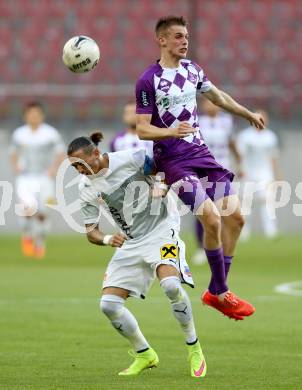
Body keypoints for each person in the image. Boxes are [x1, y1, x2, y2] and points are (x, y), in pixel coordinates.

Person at [135, 16, 261, 319]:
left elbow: (217, 96)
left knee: (236, 217)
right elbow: (142, 129)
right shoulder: (147, 80)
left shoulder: (193, 70)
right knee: (211, 218)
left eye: (186, 36)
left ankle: (217, 290)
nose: (184, 41)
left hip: (201, 155)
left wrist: (246, 114)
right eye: (178, 36)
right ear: (162, 40)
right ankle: (221, 293)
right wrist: (169, 131)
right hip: (173, 160)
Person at [67, 132, 206, 378]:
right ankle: (144, 353)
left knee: (171, 286)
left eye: (81, 163)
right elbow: (91, 232)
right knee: (109, 305)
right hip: (131, 241)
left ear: (96, 154)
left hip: (163, 229)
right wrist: (108, 239)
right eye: (74, 166)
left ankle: (194, 348)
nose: (78, 169)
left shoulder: (132, 159)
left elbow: (168, 170)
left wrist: (163, 186)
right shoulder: (85, 186)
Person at [10, 101, 65, 258]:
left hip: (44, 178)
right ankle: (27, 235)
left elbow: (60, 152)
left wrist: (54, 168)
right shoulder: (19, 134)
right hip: (25, 177)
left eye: (36, 114)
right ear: (25, 116)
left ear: (42, 116)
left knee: (42, 212)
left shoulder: (50, 133)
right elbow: (13, 151)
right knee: (27, 209)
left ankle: (40, 243)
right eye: (30, 114)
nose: (33, 117)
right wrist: (15, 166)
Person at [192, 98, 242, 265]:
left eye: (213, 103)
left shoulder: (227, 121)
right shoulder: (197, 121)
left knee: (225, 211)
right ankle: (201, 248)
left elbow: (232, 143)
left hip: (221, 170)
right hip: (202, 170)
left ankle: (221, 247)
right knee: (204, 210)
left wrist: (240, 162)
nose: (210, 106)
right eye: (206, 103)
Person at [237, 109, 281, 239]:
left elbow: (273, 157)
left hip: (265, 173)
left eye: (264, 117)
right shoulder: (245, 136)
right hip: (248, 172)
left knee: (268, 201)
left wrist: (276, 174)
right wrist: (240, 169)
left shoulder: (271, 136)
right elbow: (240, 155)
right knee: (246, 203)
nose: (261, 120)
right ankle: (244, 231)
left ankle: (270, 231)